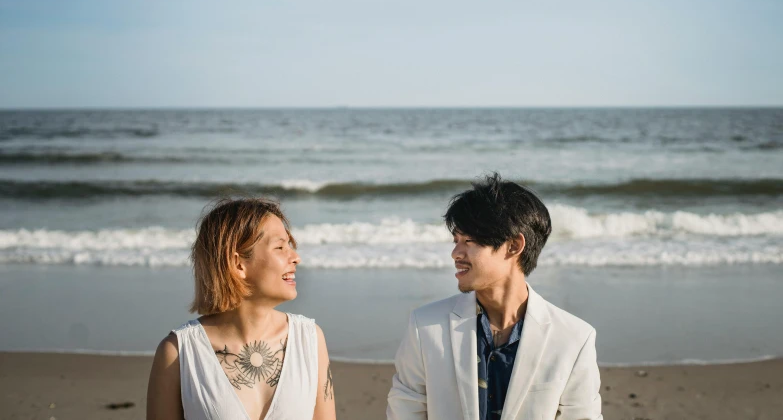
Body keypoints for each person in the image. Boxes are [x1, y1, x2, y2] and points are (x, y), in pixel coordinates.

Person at [387, 173, 602, 420]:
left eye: (469, 240)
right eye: (456, 240)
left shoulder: (574, 338)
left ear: (513, 246)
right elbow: (405, 413)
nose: (455, 253)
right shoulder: (425, 327)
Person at [147, 198, 336, 420]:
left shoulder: (310, 339)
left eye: (290, 246)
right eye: (280, 247)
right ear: (238, 264)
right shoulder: (179, 352)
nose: (295, 257)